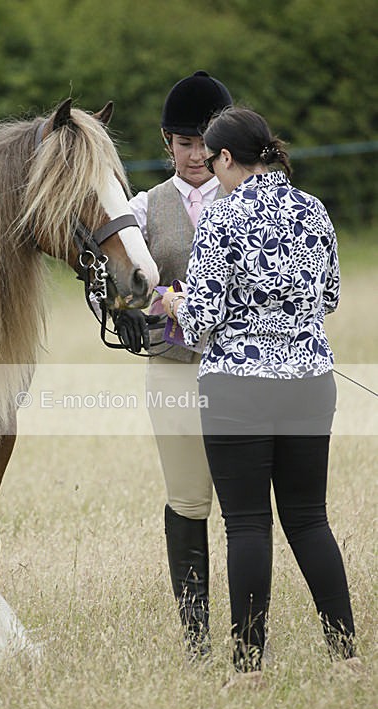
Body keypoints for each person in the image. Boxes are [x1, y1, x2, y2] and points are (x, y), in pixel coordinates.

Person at [162, 106, 357, 673]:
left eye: (213, 158)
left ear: (226, 158)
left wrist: (172, 302)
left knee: (247, 524)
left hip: (237, 388)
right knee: (309, 519)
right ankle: (346, 656)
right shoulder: (314, 210)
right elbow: (330, 298)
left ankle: (249, 666)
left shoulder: (222, 219)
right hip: (309, 384)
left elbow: (198, 320)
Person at [113, 71, 234, 660]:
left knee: (244, 504)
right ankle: (196, 637)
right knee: (188, 499)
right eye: (184, 143)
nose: (196, 155)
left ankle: (248, 632)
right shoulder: (142, 208)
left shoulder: (252, 201)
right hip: (173, 369)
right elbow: (119, 288)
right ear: (168, 143)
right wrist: (134, 306)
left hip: (244, 369)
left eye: (206, 142)